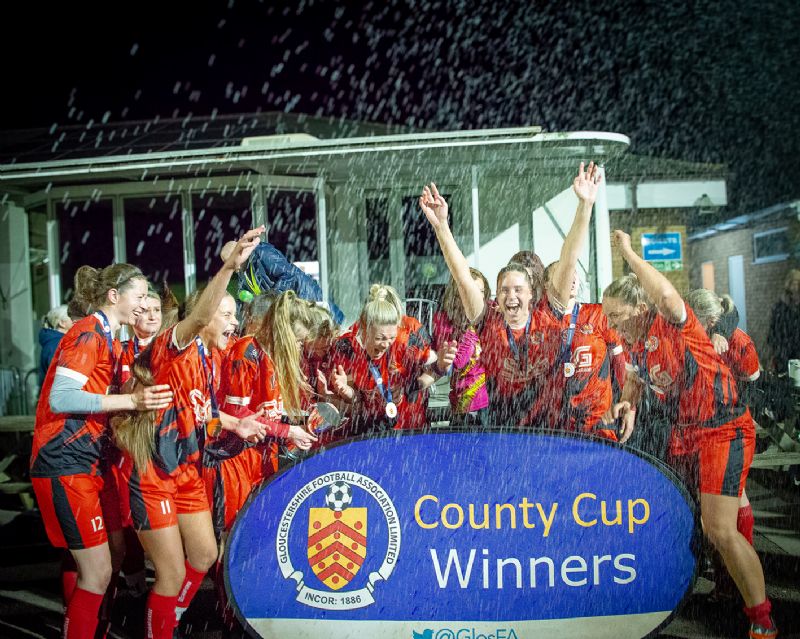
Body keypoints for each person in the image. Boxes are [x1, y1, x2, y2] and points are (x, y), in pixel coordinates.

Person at [601, 232, 777, 638]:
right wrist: (627, 403)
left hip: (723, 427)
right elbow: (634, 379)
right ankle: (728, 590)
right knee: (701, 522)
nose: (612, 326)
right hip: (689, 432)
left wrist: (628, 254)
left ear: (641, 308)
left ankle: (763, 620)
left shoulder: (674, 323)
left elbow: (664, 295)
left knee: (719, 527)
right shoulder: (636, 343)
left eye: (616, 317)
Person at [30, 264, 174, 639]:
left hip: (84, 460)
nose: (144, 304)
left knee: (100, 566)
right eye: (139, 296)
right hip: (64, 460)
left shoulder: (107, 336)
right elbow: (61, 397)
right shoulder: (88, 333)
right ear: (115, 296)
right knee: (95, 571)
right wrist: (130, 400)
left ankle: (91, 628)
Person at [420, 163, 603, 429]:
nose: (511, 296)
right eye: (504, 290)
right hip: (503, 431)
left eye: (518, 290)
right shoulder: (488, 322)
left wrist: (585, 206)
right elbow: (461, 275)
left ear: (532, 294)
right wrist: (441, 228)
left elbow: (568, 259)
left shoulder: (548, 315)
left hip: (549, 432)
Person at [686, 288, 762, 599]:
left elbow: (754, 383)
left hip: (731, 428)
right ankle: (729, 578)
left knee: (733, 502)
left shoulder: (739, 342)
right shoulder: (706, 335)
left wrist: (733, 413)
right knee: (729, 504)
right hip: (711, 425)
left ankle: (735, 579)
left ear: (712, 320)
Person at [329, 284, 456, 434]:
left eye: (391, 337)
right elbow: (352, 399)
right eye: (379, 338)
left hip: (410, 425)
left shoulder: (408, 337)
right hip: (369, 428)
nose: (385, 345)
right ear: (364, 328)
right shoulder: (346, 346)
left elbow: (437, 369)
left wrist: (412, 386)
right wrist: (347, 392)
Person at [535, 261, 624, 439]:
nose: (572, 278)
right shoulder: (537, 320)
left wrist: (626, 402)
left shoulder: (597, 314)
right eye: (563, 273)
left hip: (598, 423)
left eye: (574, 272)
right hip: (556, 425)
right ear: (546, 284)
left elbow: (620, 365)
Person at [432, 269, 491, 426]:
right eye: (470, 292)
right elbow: (458, 364)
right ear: (457, 295)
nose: (477, 298)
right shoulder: (443, 321)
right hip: (465, 402)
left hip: (492, 399)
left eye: (481, 293)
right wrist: (469, 328)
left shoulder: (489, 313)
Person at [767, 268, 800, 373]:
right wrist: (774, 353)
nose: (795, 287)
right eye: (793, 283)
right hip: (784, 356)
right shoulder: (780, 308)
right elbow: (773, 332)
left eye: (797, 283)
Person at [38, 304, 74, 382]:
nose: (77, 320)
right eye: (72, 317)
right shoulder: (56, 345)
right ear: (62, 323)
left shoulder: (57, 342)